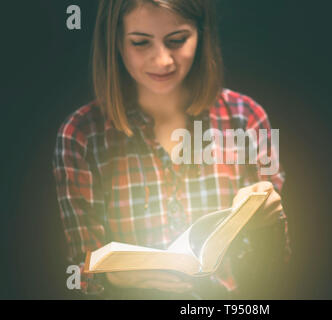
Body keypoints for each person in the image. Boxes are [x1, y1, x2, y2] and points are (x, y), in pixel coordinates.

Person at [52, 0, 290, 299]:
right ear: (115, 41)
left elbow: (276, 271)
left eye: (177, 41)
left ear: (201, 35)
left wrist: (269, 224)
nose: (163, 60)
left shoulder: (246, 118)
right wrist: (116, 278)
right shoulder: (81, 135)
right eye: (140, 42)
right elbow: (76, 274)